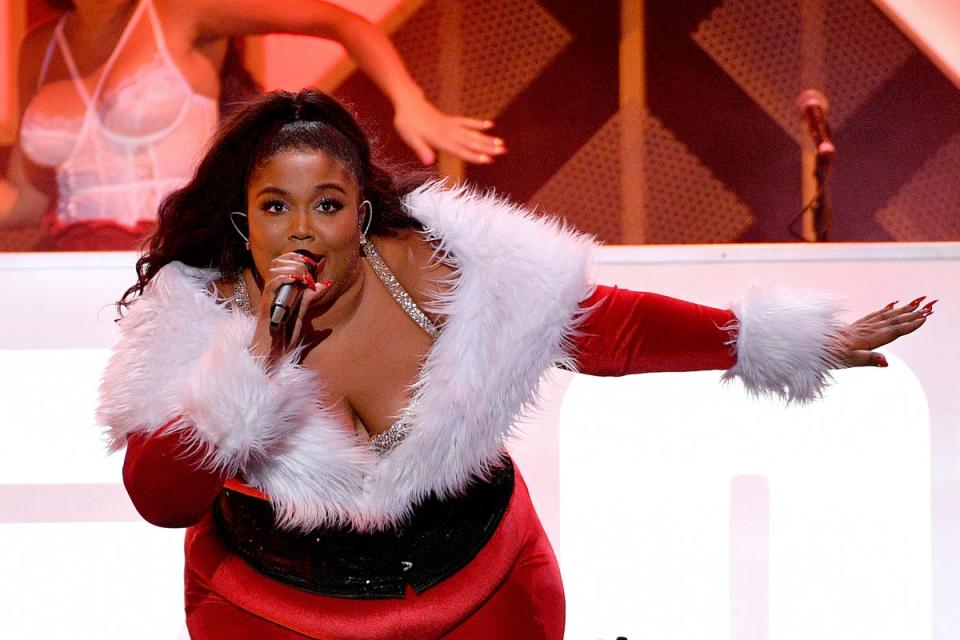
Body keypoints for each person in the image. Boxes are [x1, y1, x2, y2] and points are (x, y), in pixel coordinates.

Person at [96, 89, 932, 639]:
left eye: (328, 204)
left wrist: (787, 340)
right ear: (244, 221)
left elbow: (605, 327)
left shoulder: (438, 268)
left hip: (486, 591)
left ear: (362, 212)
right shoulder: (196, 319)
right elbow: (159, 500)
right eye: (275, 207)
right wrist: (253, 367)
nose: (302, 230)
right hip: (271, 613)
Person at [0, 0, 505, 250]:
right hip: (70, 261)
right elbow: (29, 197)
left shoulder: (180, 11)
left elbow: (339, 22)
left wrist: (409, 101)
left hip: (176, 255)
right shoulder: (37, 48)